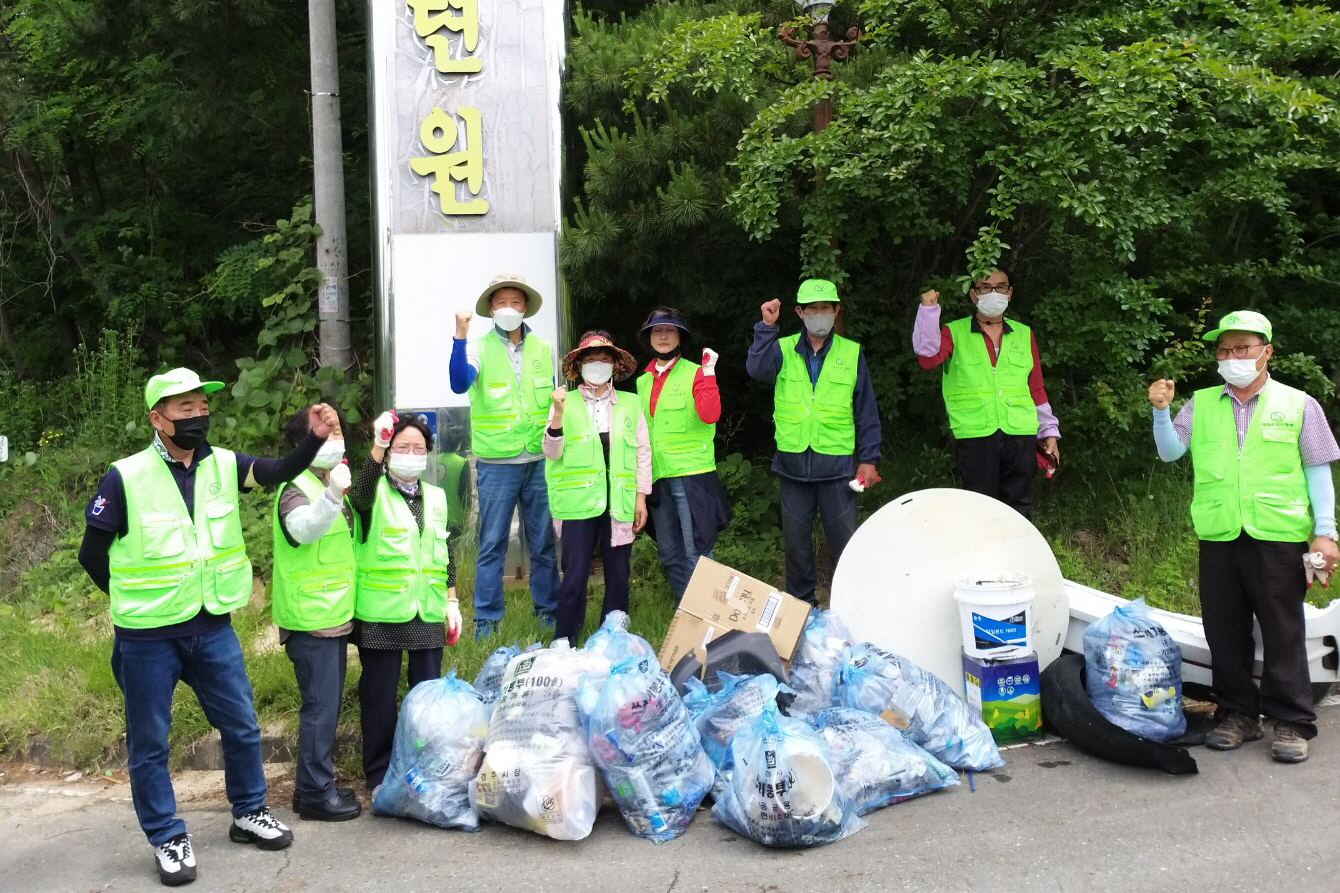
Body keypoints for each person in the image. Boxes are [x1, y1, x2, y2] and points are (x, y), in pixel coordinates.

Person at [78, 369, 329, 885]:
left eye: (200, 407)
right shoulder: (125, 475)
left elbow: (280, 469)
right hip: (147, 636)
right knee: (150, 742)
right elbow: (91, 553)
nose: (197, 416)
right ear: (158, 418)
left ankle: (248, 812)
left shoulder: (223, 465)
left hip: (212, 625)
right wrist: (132, 599)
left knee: (241, 725)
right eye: (184, 409)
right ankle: (167, 837)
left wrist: (315, 439)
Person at [1148, 310, 1339, 763]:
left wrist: (1326, 534)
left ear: (1266, 352)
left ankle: (1291, 721)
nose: (1231, 357)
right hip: (1219, 533)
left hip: (1277, 534)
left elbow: (1319, 474)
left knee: (1282, 630)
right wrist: (1160, 413)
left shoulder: (1298, 404)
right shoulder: (1201, 403)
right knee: (1224, 630)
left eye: (1242, 349)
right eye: (1223, 350)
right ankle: (1237, 714)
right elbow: (1172, 453)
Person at [746, 279, 881, 605]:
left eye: (825, 308)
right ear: (800, 313)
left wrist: (869, 458)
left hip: (837, 470)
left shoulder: (851, 353)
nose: (819, 314)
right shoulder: (782, 348)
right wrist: (767, 327)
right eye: (812, 309)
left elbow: (866, 410)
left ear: (836, 311)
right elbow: (756, 369)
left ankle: (847, 614)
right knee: (796, 550)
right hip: (793, 468)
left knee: (844, 546)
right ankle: (801, 617)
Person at [349, 411, 461, 794]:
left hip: (427, 611)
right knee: (379, 697)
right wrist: (378, 446)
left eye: (418, 448)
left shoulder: (436, 497)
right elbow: (361, 490)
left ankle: (426, 769)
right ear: (389, 450)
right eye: (402, 447)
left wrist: (452, 600)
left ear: (428, 453)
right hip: (382, 613)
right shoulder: (371, 494)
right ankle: (380, 774)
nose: (411, 454)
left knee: (426, 700)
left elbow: (445, 550)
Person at [449, 272, 559, 638]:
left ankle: (548, 611)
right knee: (492, 542)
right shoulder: (478, 347)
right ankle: (487, 620)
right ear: (491, 309)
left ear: (525, 306)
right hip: (497, 464)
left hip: (539, 459)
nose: (508, 308)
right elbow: (459, 382)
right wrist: (459, 337)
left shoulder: (543, 347)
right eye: (501, 302)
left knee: (543, 542)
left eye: (515, 301)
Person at [270, 406, 360, 822]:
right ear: (302, 444)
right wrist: (331, 496)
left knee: (327, 705)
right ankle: (314, 794)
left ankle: (314, 785)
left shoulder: (330, 480)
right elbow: (302, 529)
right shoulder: (296, 486)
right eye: (321, 432)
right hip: (311, 618)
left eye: (336, 429)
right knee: (320, 708)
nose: (332, 436)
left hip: (333, 613)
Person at [913, 270, 1061, 518]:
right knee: (980, 508)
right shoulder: (955, 331)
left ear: (1010, 293)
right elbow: (927, 359)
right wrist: (928, 312)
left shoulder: (1024, 333)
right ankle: (982, 557)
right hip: (975, 432)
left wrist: (1049, 432)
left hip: (1020, 431)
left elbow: (1035, 387)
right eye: (985, 287)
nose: (994, 293)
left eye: (1001, 287)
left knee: (1019, 507)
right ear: (973, 295)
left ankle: (1016, 555)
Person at [543, 331, 652, 644]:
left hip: (619, 500)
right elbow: (551, 452)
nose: (598, 365)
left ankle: (613, 640)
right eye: (591, 359)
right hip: (577, 502)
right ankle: (564, 640)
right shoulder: (564, 400)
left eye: (604, 359)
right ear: (579, 366)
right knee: (575, 574)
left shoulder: (630, 403)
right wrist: (558, 415)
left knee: (618, 574)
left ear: (615, 366)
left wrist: (640, 498)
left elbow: (643, 451)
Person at [635, 307, 731, 598]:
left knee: (696, 553)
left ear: (680, 337)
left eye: (670, 330)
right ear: (649, 337)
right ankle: (684, 616)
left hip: (691, 476)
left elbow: (711, 414)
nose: (663, 336)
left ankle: (708, 617)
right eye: (657, 331)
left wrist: (710, 373)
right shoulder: (642, 381)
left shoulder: (697, 372)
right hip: (658, 476)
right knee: (669, 553)